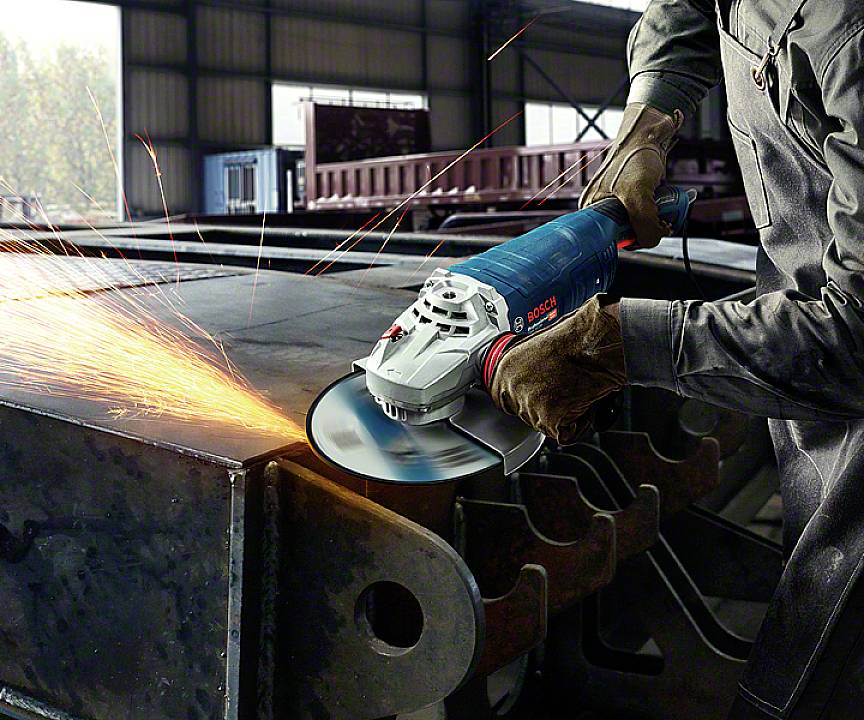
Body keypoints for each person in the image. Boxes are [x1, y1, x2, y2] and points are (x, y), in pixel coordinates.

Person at [488, 1, 864, 717]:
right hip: (813, 371)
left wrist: (622, 345)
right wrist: (650, 114)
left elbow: (859, 333)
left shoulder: (851, 35)